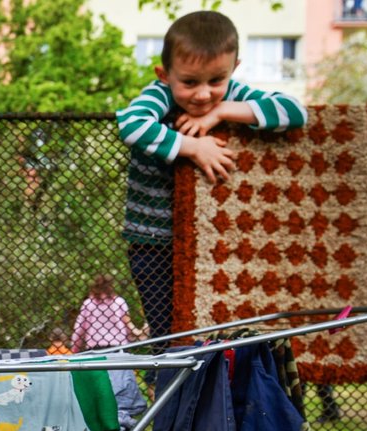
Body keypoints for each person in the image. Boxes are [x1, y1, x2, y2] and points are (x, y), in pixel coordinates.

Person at [115, 10, 308, 354]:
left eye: (216, 80)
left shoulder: (231, 94)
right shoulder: (160, 95)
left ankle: (218, 404)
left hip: (216, 247)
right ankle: (172, 401)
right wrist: (193, 147)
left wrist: (224, 111)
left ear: (233, 69)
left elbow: (294, 112)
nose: (203, 95)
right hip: (154, 244)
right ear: (165, 74)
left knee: (217, 338)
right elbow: (131, 124)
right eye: (189, 82)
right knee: (169, 338)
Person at [70, 273, 148, 354]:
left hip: (95, 347)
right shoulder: (118, 302)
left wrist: (74, 349)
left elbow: (79, 329)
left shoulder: (88, 304)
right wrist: (131, 338)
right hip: (118, 346)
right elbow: (127, 326)